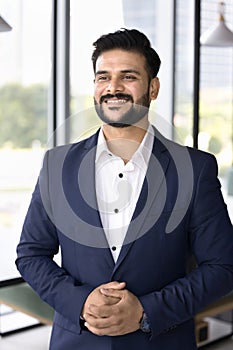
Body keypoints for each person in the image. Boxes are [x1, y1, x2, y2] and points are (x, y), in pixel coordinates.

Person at [16, 28, 233, 350]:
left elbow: (223, 267)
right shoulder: (57, 165)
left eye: (128, 76)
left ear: (153, 87)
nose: (113, 87)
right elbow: (31, 253)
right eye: (103, 77)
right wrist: (81, 301)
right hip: (76, 343)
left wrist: (145, 312)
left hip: (161, 341)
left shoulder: (195, 168)